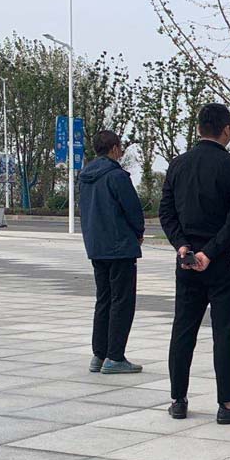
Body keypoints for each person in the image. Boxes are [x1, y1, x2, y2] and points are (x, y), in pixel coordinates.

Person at [159, 103, 230, 424]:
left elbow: (166, 213)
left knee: (183, 330)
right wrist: (210, 253)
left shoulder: (177, 166)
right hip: (223, 264)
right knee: (225, 333)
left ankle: (178, 400)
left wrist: (183, 246)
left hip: (187, 262)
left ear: (199, 128)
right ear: (226, 130)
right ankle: (227, 404)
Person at [79, 130, 145, 375]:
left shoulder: (85, 176)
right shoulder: (117, 176)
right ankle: (115, 357)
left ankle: (99, 354)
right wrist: (138, 232)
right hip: (120, 247)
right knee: (122, 301)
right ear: (115, 148)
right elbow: (132, 209)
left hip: (97, 246)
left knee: (103, 299)